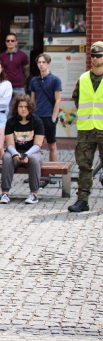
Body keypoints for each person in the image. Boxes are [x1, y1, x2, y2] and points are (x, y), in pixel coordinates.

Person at [69, 41, 103, 213]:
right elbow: (76, 98)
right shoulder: (83, 78)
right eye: (93, 55)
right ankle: (82, 200)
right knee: (84, 165)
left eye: (98, 56)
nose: (95, 59)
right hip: (86, 128)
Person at [0, 94, 45, 204]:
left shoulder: (37, 121)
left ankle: (33, 194)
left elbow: (38, 144)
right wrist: (15, 154)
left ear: (30, 108)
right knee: (6, 158)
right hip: (15, 152)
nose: (23, 109)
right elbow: (10, 144)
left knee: (34, 160)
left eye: (26, 106)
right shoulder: (11, 122)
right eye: (21, 107)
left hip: (32, 152)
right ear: (16, 108)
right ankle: (5, 193)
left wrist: (26, 155)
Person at [29, 53, 62, 162]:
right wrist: (31, 115)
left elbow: (58, 100)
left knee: (52, 145)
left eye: (44, 62)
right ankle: (37, 172)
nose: (41, 64)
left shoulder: (55, 80)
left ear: (49, 64)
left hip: (49, 116)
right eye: (39, 62)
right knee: (36, 146)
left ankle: (52, 173)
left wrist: (54, 117)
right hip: (37, 117)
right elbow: (32, 100)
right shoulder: (34, 80)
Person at [0, 33, 29, 116]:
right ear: (5, 42)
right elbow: (0, 71)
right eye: (8, 41)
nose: (10, 42)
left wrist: (23, 82)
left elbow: (26, 71)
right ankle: (8, 128)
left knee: (21, 109)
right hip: (5, 87)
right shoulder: (1, 56)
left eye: (12, 40)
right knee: (7, 111)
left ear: (16, 42)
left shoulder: (23, 55)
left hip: (19, 87)